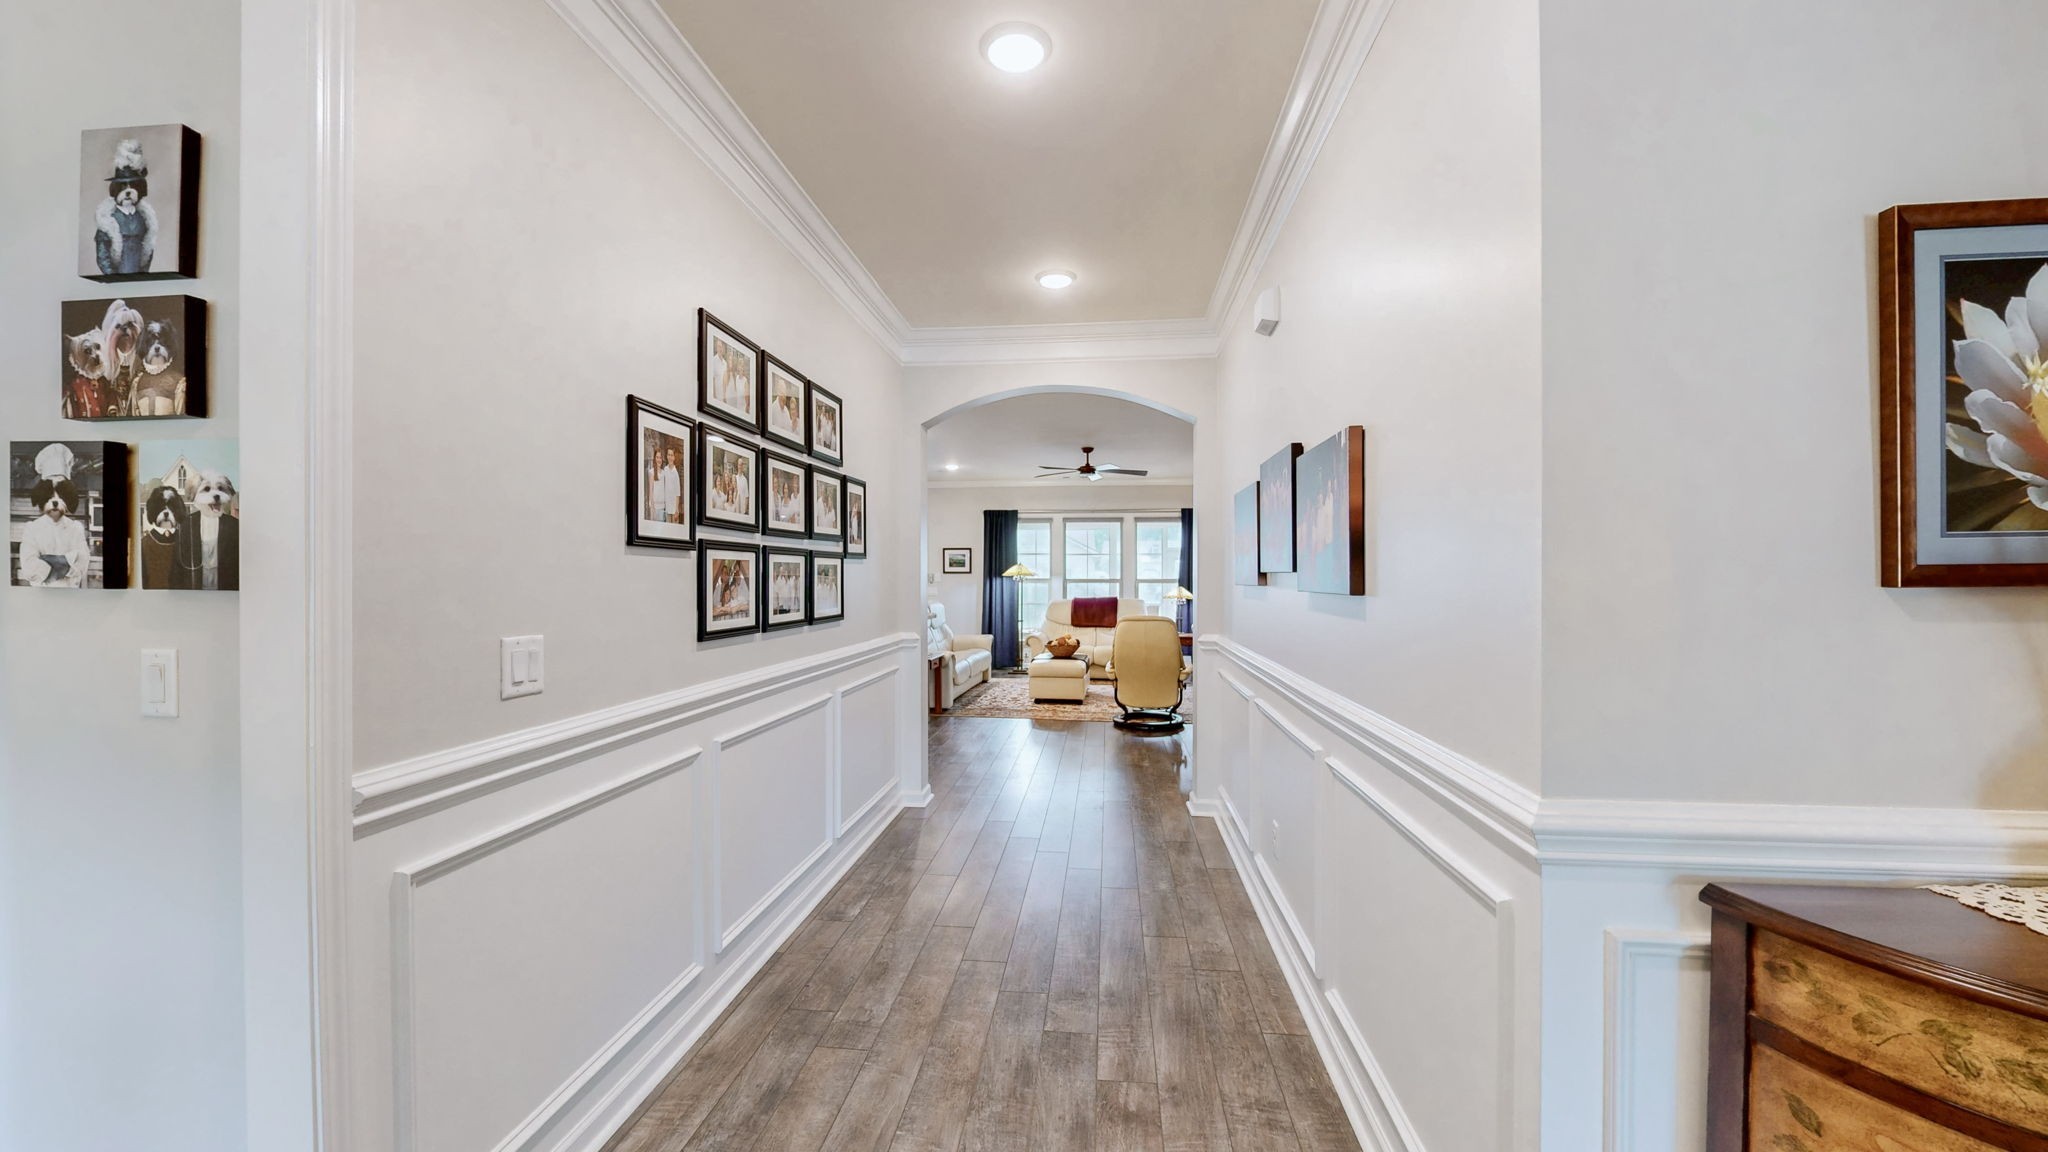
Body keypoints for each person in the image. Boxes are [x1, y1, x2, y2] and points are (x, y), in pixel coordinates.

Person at [93, 139, 158, 277]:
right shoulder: (108, 221)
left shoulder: (144, 218)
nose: (128, 192)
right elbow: (102, 252)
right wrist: (111, 276)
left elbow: (148, 247)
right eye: (123, 187)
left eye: (133, 187)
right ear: (115, 190)